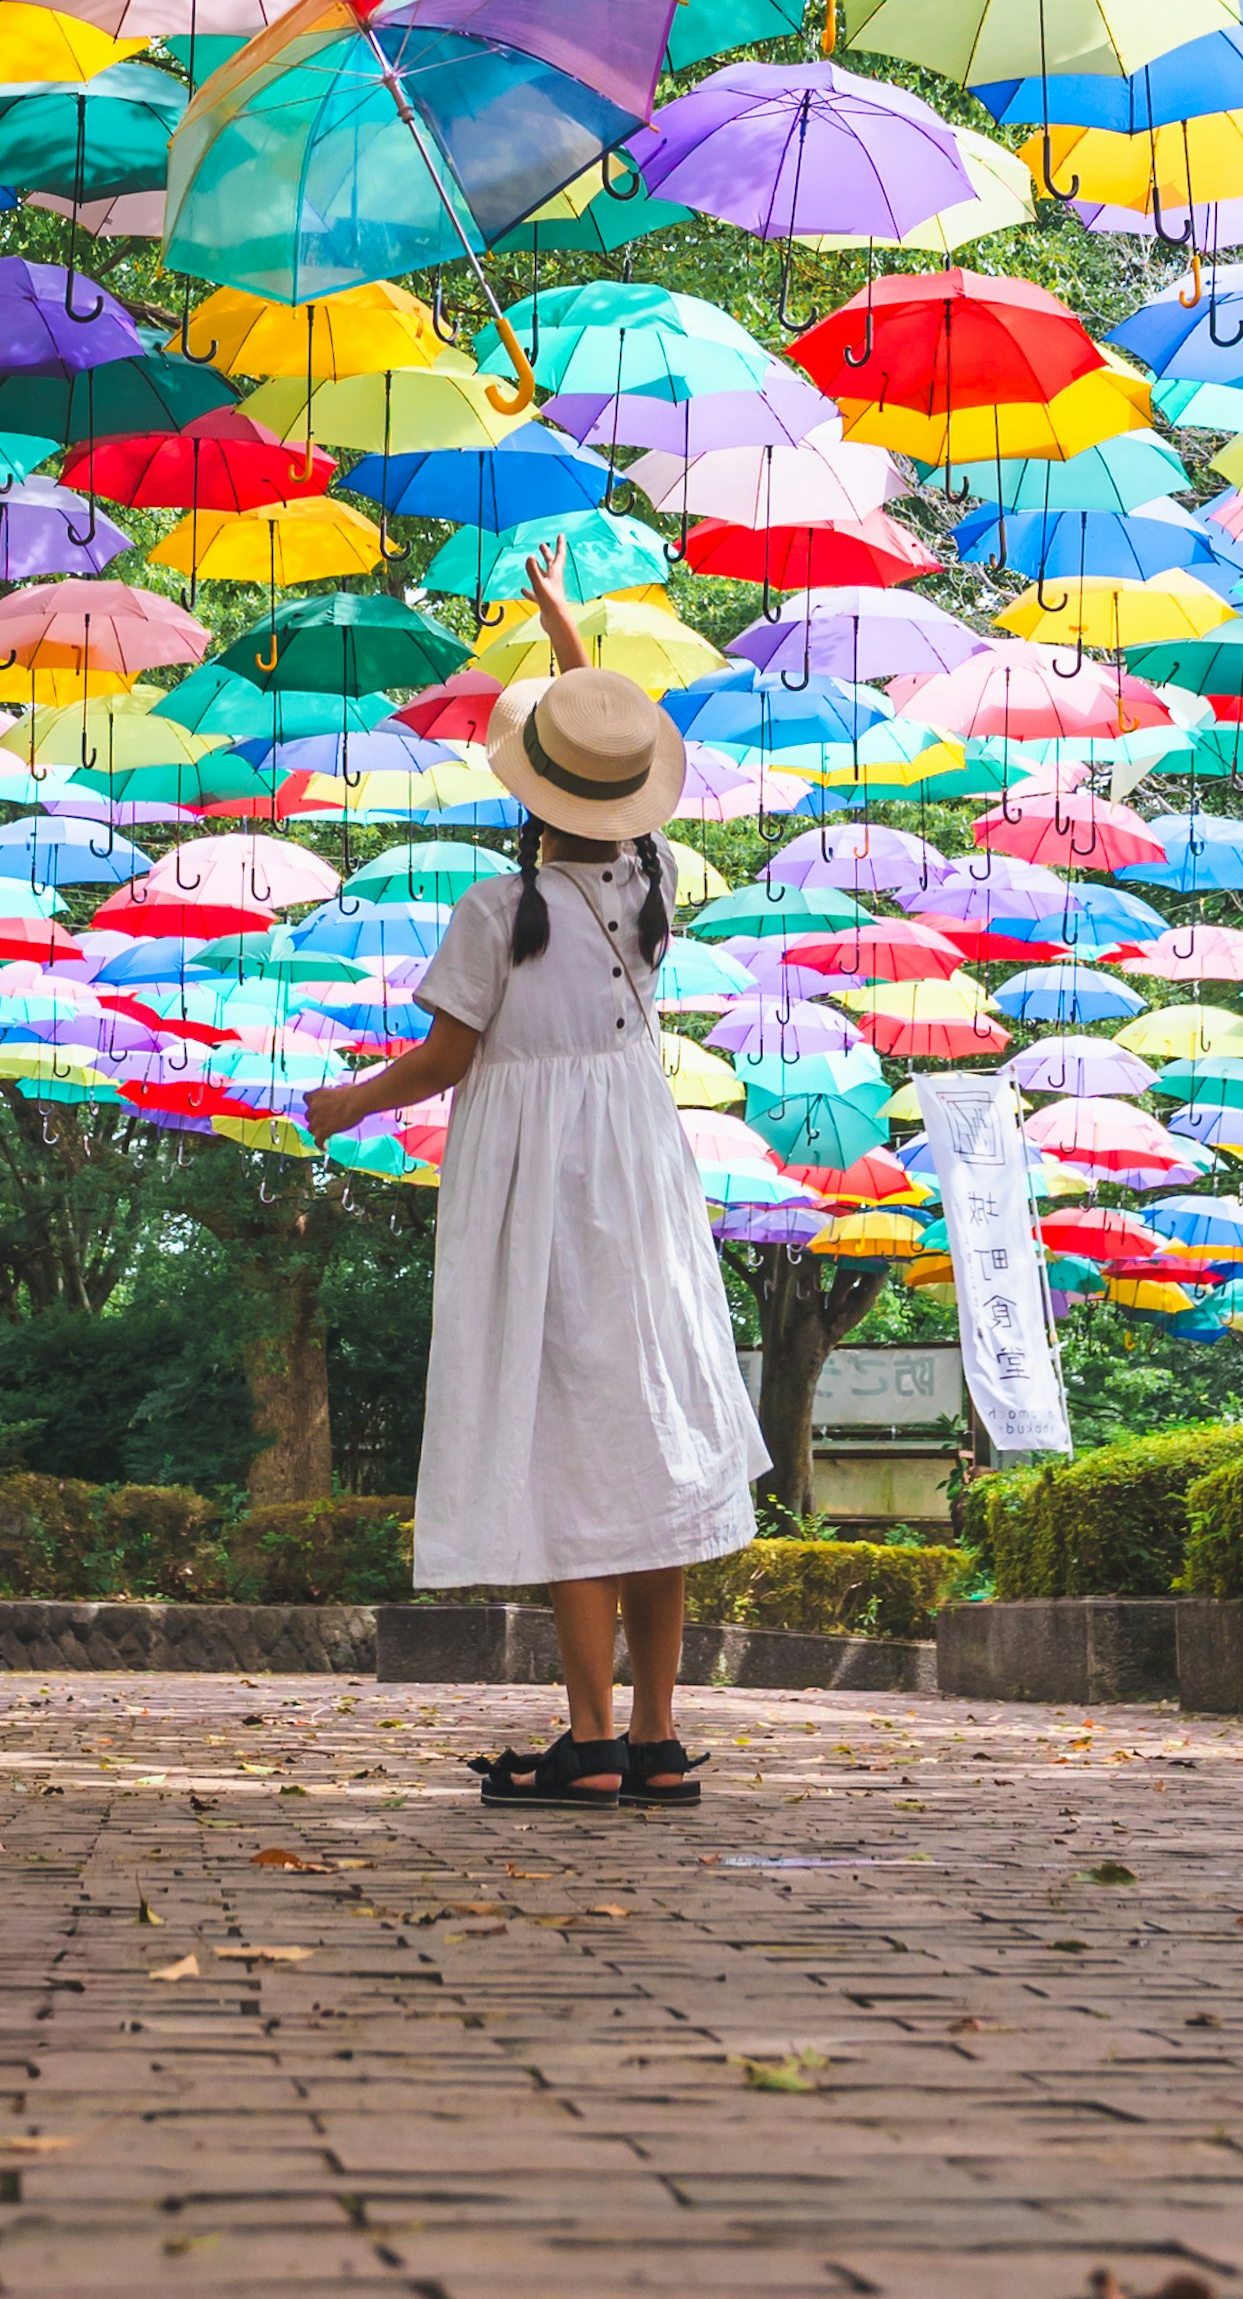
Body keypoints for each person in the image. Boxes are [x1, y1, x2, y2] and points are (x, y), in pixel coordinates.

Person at [306, 543, 763, 1806]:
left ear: (529, 791)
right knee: (653, 1451)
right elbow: (602, 735)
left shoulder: (496, 911)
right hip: (643, 1183)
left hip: (543, 1196)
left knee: (573, 1449)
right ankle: (658, 1735)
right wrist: (565, 627)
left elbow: (444, 1059)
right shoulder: (643, 888)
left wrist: (347, 1099)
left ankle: (593, 1740)